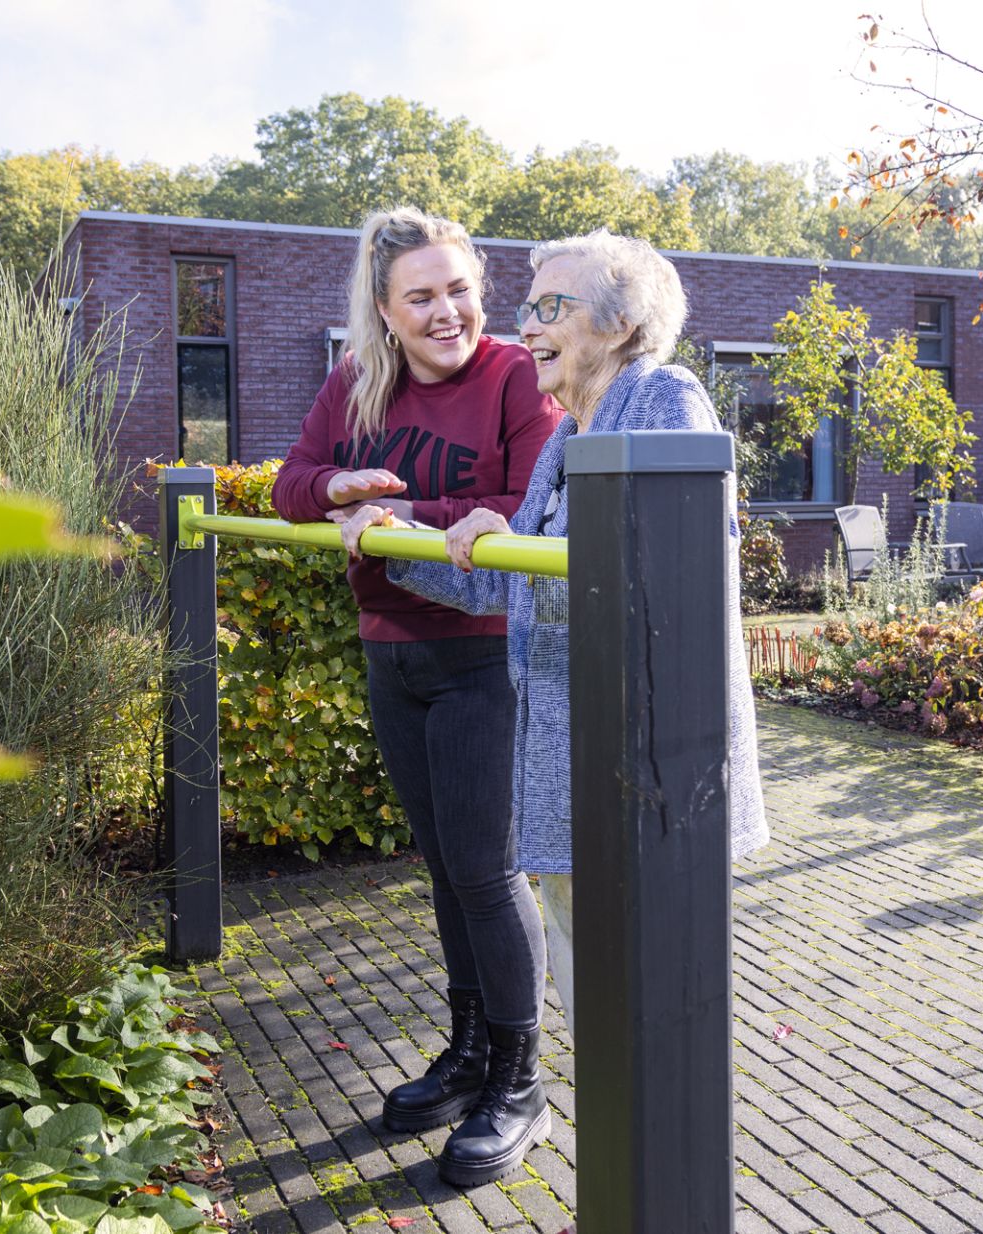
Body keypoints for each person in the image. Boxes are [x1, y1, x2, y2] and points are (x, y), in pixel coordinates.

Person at [339, 230, 770, 1196]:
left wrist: (501, 538)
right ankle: (629, 1179)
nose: (523, 325)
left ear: (620, 323)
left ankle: (654, 1189)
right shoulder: (571, 432)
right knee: (595, 989)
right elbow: (513, 589)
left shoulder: (661, 398)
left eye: (549, 307)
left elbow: (647, 574)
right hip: (581, 765)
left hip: (643, 767)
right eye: (527, 304)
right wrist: (406, 541)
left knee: (641, 1004)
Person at [269, 207, 563, 1173]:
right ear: (386, 311)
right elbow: (292, 481)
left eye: (461, 290)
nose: (448, 313)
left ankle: (521, 1086)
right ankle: (472, 1053)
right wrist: (344, 493)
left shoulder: (516, 375)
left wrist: (403, 509)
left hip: (483, 652)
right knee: (443, 868)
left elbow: (528, 503)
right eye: (422, 297)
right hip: (392, 650)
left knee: (487, 870)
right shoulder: (358, 381)